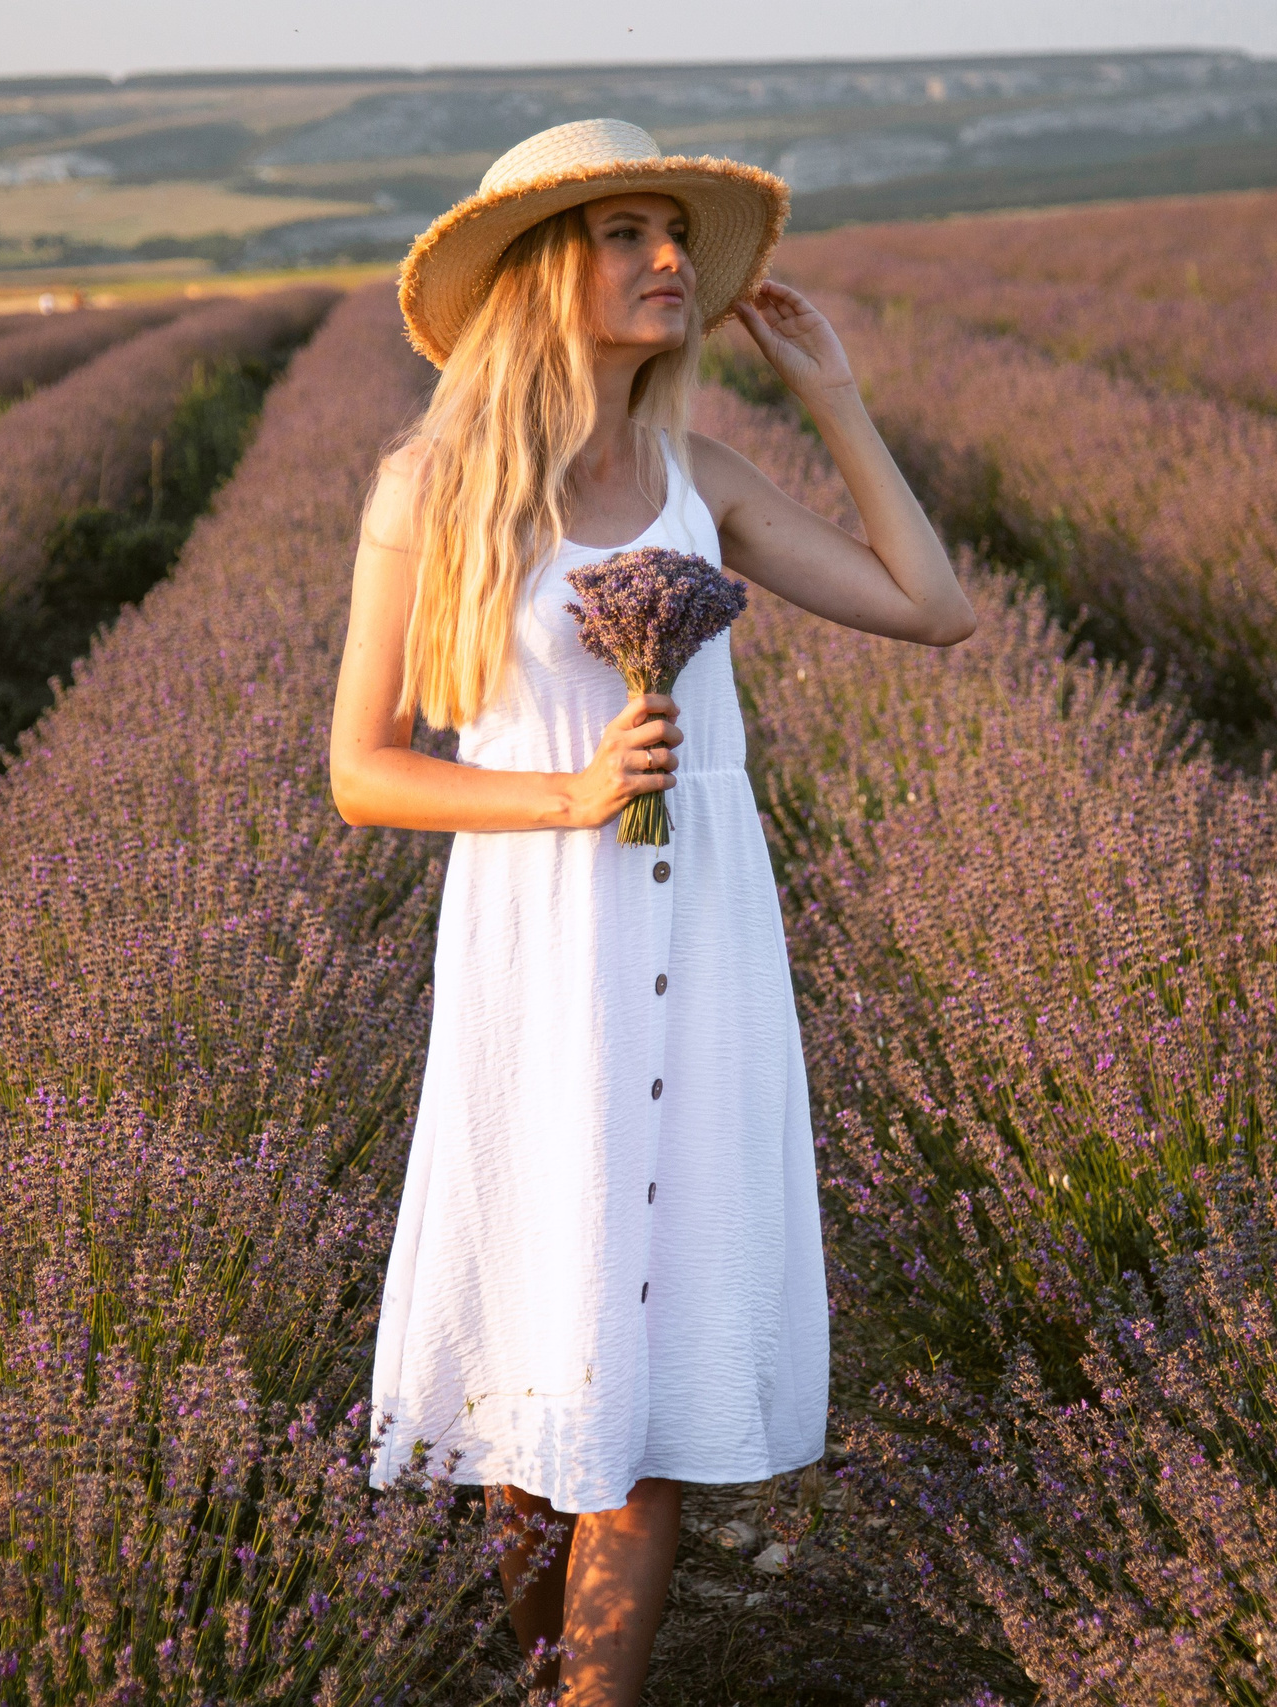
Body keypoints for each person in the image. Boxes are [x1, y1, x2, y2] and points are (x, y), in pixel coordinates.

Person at [328, 118, 974, 1706]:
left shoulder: (704, 483)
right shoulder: (438, 491)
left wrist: (834, 396)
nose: (669, 259)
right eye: (627, 234)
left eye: (673, 233)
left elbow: (933, 608)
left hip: (705, 947)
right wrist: (570, 791)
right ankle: (539, 1665)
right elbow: (364, 771)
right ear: (550, 271)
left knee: (652, 1364)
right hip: (544, 959)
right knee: (536, 1352)